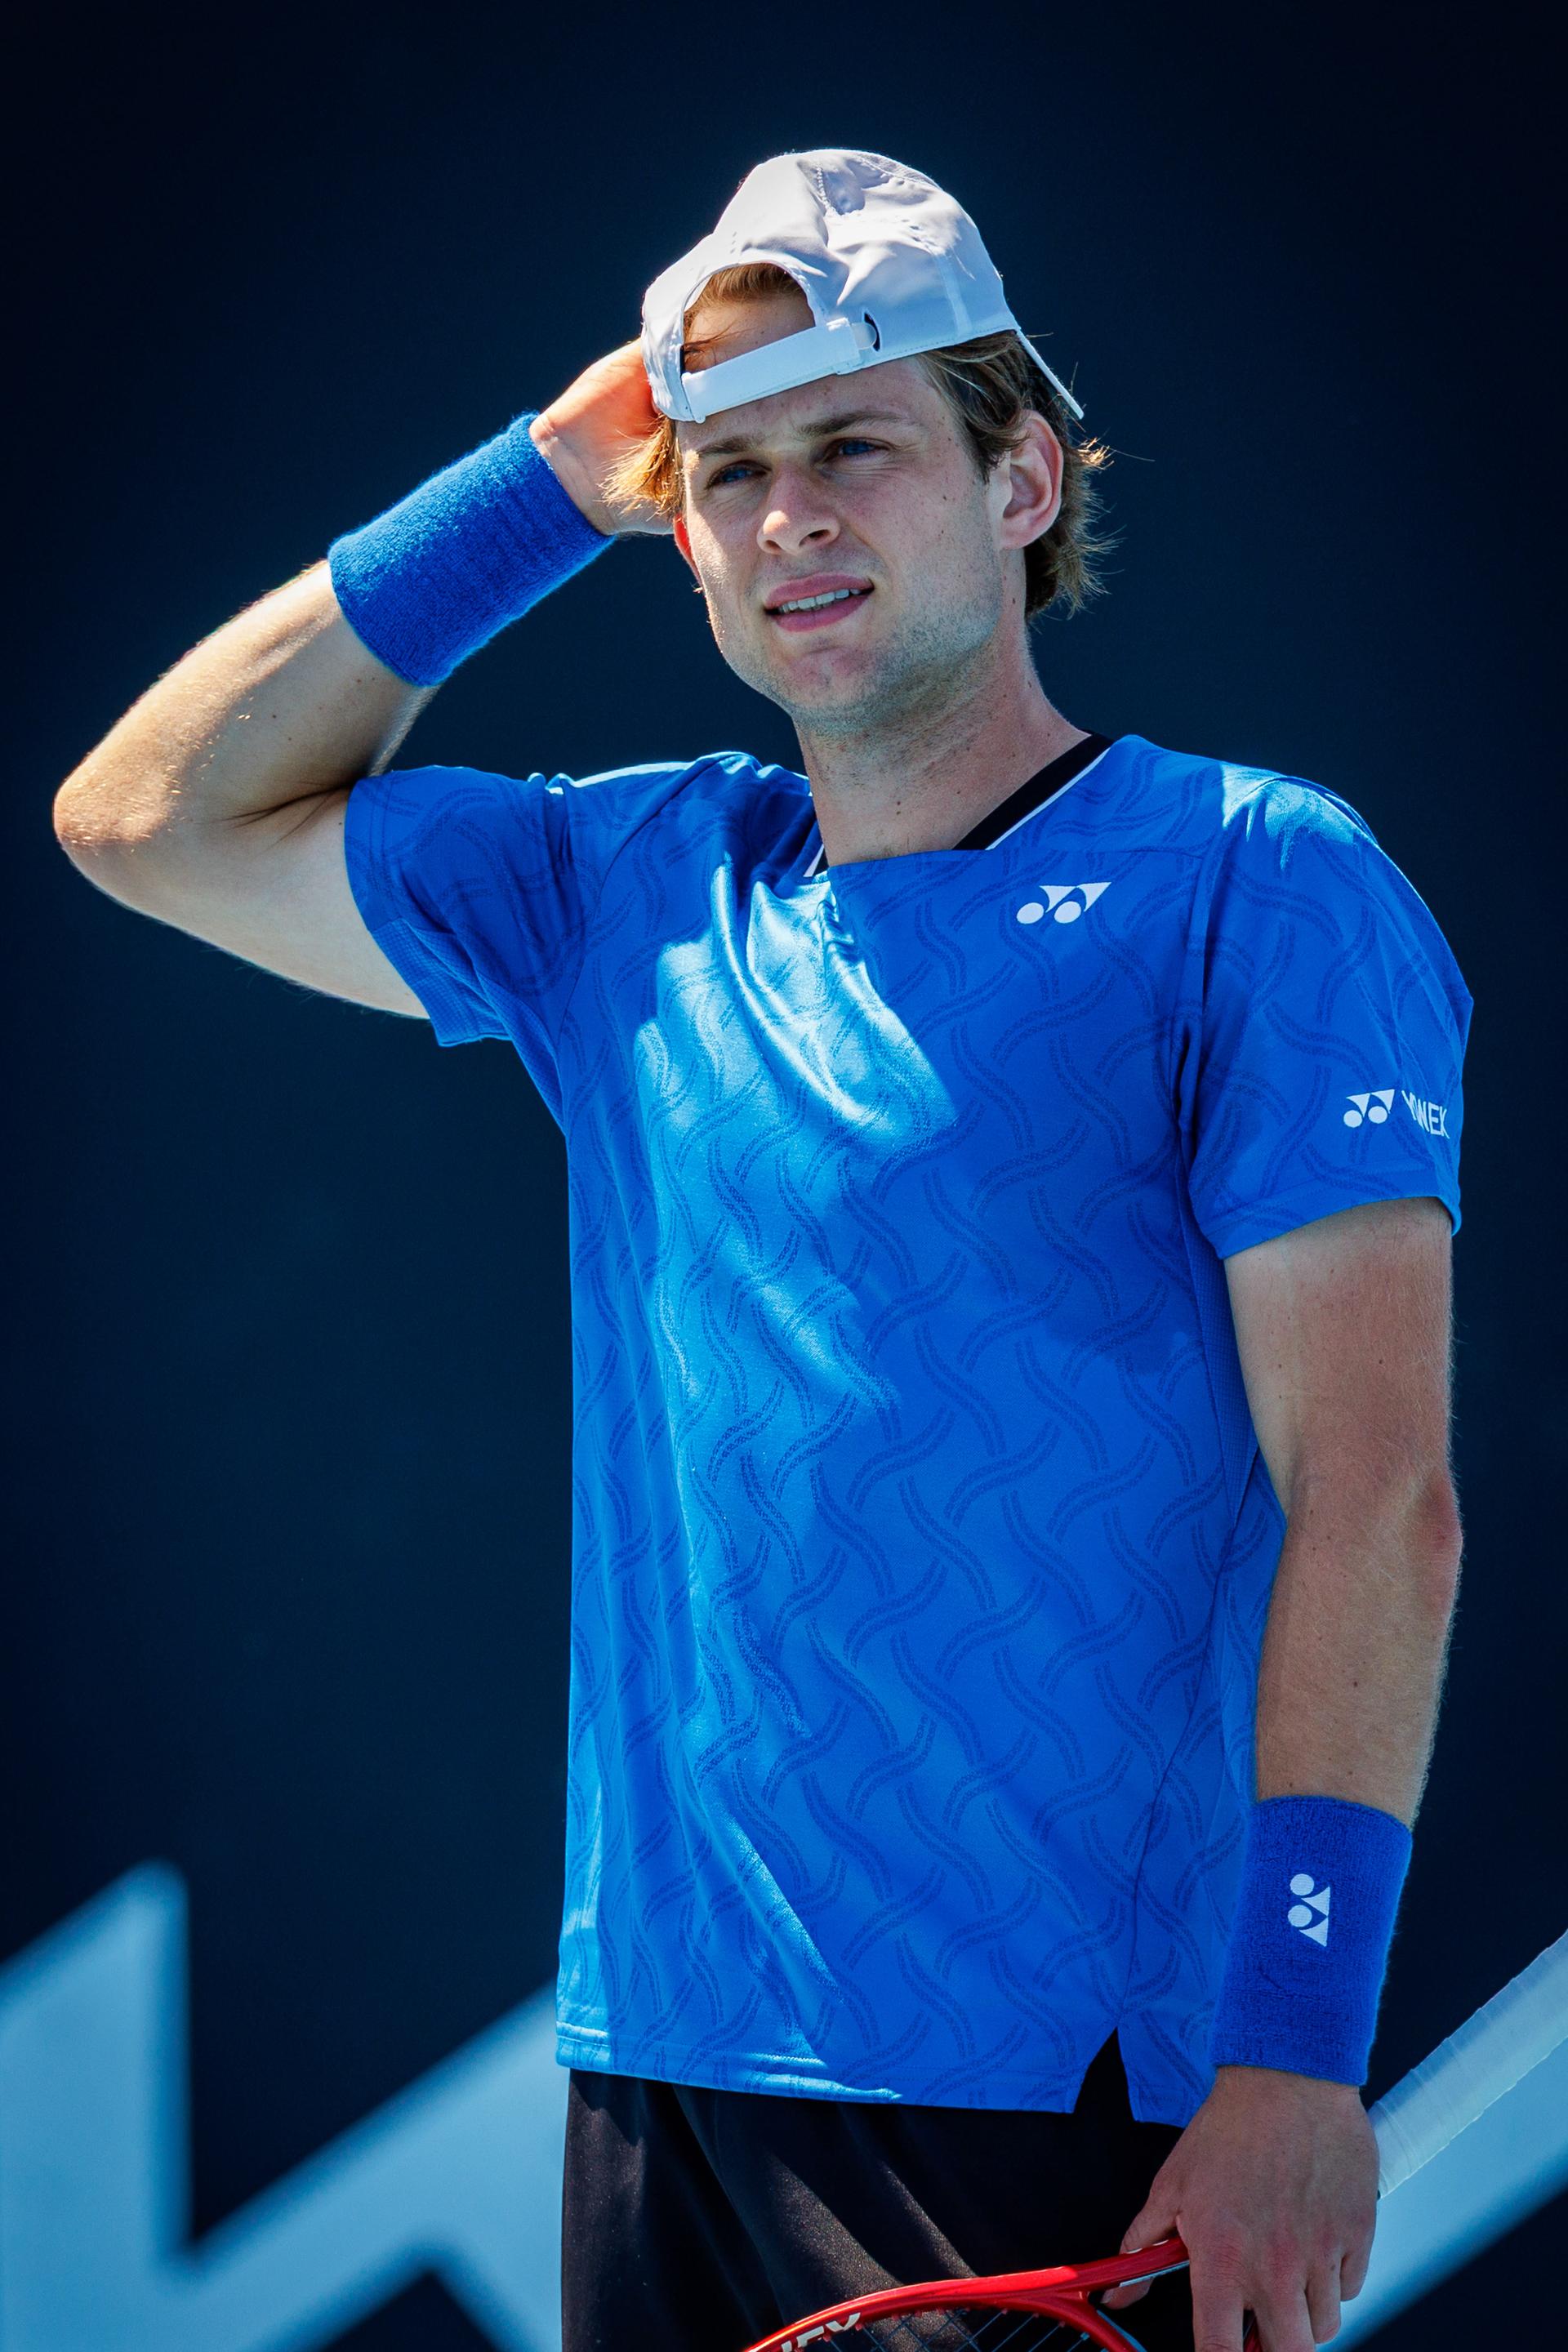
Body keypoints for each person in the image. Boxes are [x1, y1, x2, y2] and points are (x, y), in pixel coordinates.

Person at [53, 150, 1470, 2352]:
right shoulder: (622, 885)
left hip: (1060, 2102)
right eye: (728, 474)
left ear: (1022, 481)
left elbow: (1379, 1498)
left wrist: (1296, 2046)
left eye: (857, 448)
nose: (788, 516)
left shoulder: (1259, 880)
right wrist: (541, 485)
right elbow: (144, 819)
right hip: (666, 2077)